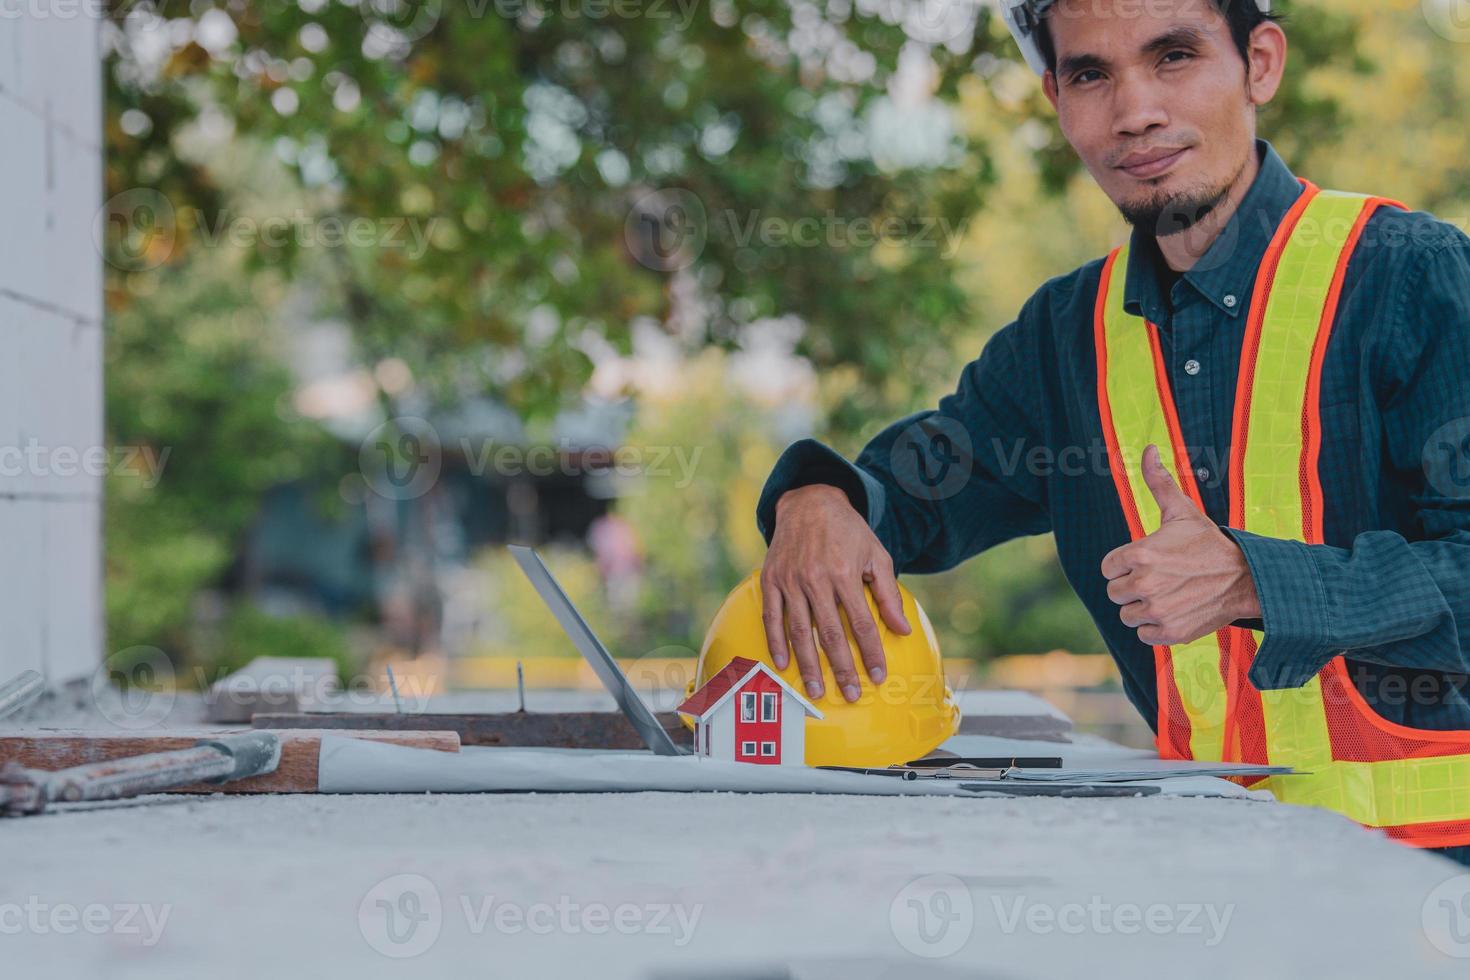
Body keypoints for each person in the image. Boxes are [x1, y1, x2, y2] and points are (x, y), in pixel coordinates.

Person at [755, 0, 1470, 859]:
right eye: (1092, 74)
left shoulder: (1411, 278)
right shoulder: (1065, 336)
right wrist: (820, 495)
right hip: (1225, 885)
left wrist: (1257, 582)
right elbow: (918, 488)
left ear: (1262, 64)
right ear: (1058, 97)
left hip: (1437, 881)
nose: (1135, 112)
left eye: (1174, 55)